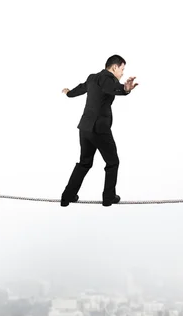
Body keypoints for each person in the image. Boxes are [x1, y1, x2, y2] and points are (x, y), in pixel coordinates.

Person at [60, 55, 139, 207]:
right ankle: (108, 197)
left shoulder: (92, 77)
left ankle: (67, 196)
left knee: (84, 163)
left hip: (84, 128)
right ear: (114, 67)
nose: (122, 73)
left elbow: (81, 88)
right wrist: (124, 89)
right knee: (112, 162)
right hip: (99, 129)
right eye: (122, 69)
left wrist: (69, 93)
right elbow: (111, 88)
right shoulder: (107, 79)